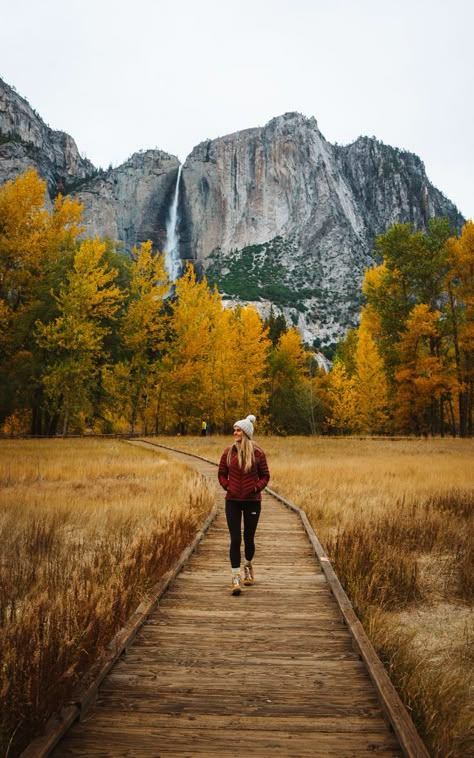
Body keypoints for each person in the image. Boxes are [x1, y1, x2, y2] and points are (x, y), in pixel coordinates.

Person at [218, 414, 270, 595]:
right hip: (232, 501)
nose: (235, 432)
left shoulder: (257, 453)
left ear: (246, 433)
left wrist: (256, 488)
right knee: (235, 539)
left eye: (238, 430)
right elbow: (221, 474)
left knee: (249, 537)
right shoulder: (228, 452)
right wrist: (227, 487)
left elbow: (265, 476)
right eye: (235, 429)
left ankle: (248, 566)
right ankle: (235, 576)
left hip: (252, 502)